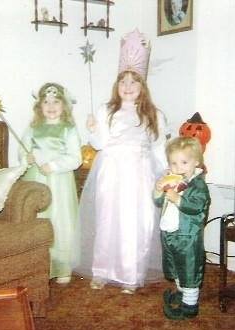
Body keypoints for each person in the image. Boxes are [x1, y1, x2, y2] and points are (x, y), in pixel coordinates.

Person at [76, 29, 168, 294]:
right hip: (111, 170)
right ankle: (102, 270)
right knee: (108, 220)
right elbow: (100, 144)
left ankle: (130, 273)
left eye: (134, 82)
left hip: (139, 173)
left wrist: (163, 175)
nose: (127, 87)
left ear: (143, 87)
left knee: (135, 221)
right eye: (123, 82)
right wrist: (93, 128)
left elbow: (158, 146)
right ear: (117, 86)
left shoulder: (154, 114)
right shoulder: (106, 110)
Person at [19, 82, 82, 284]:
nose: (51, 106)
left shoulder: (68, 129)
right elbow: (23, 149)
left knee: (60, 220)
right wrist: (25, 158)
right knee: (38, 218)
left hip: (60, 182)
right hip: (35, 179)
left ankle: (62, 265)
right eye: (46, 102)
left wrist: (54, 166)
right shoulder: (33, 128)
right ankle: (39, 264)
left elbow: (76, 158)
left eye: (56, 101)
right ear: (39, 106)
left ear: (64, 105)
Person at [154, 136, 210, 320]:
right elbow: (158, 201)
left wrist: (177, 199)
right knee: (175, 267)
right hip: (170, 233)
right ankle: (181, 292)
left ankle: (190, 305)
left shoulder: (197, 184)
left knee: (188, 270)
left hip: (186, 236)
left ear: (196, 162)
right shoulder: (173, 180)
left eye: (184, 162)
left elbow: (197, 206)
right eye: (174, 163)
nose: (179, 168)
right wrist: (158, 189)